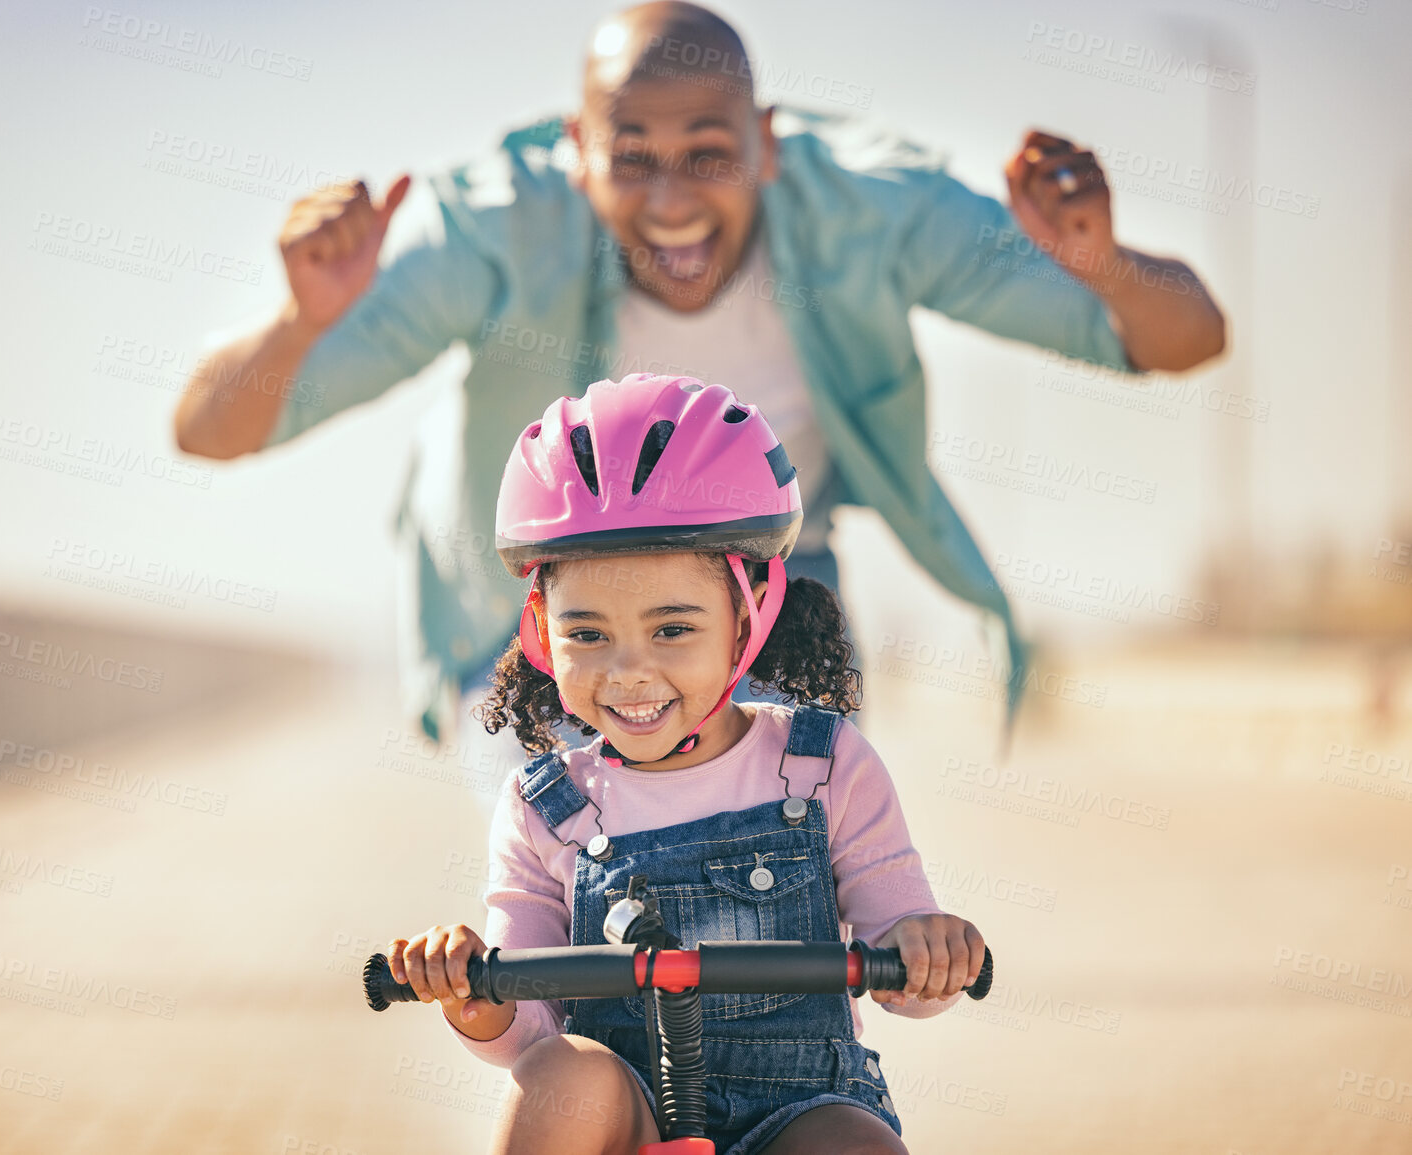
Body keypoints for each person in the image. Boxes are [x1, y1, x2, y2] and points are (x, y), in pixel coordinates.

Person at [173, 2, 1226, 747]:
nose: (671, 199)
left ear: (768, 146)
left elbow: (1185, 337)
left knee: (800, 874)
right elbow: (211, 430)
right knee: (558, 920)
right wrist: (300, 324)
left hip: (773, 563)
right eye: (631, 157)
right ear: (578, 153)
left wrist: (1101, 266)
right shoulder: (493, 229)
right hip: (543, 590)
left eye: (707, 153)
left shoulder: (874, 210)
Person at [385, 375, 984, 1154]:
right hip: (623, 1111)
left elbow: (898, 959)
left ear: (748, 613)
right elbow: (527, 1028)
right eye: (587, 633)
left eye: (671, 628)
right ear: (539, 629)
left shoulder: (823, 764)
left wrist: (926, 949)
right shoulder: (546, 805)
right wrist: (473, 995)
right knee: (563, 1078)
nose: (628, 671)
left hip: (802, 1106)